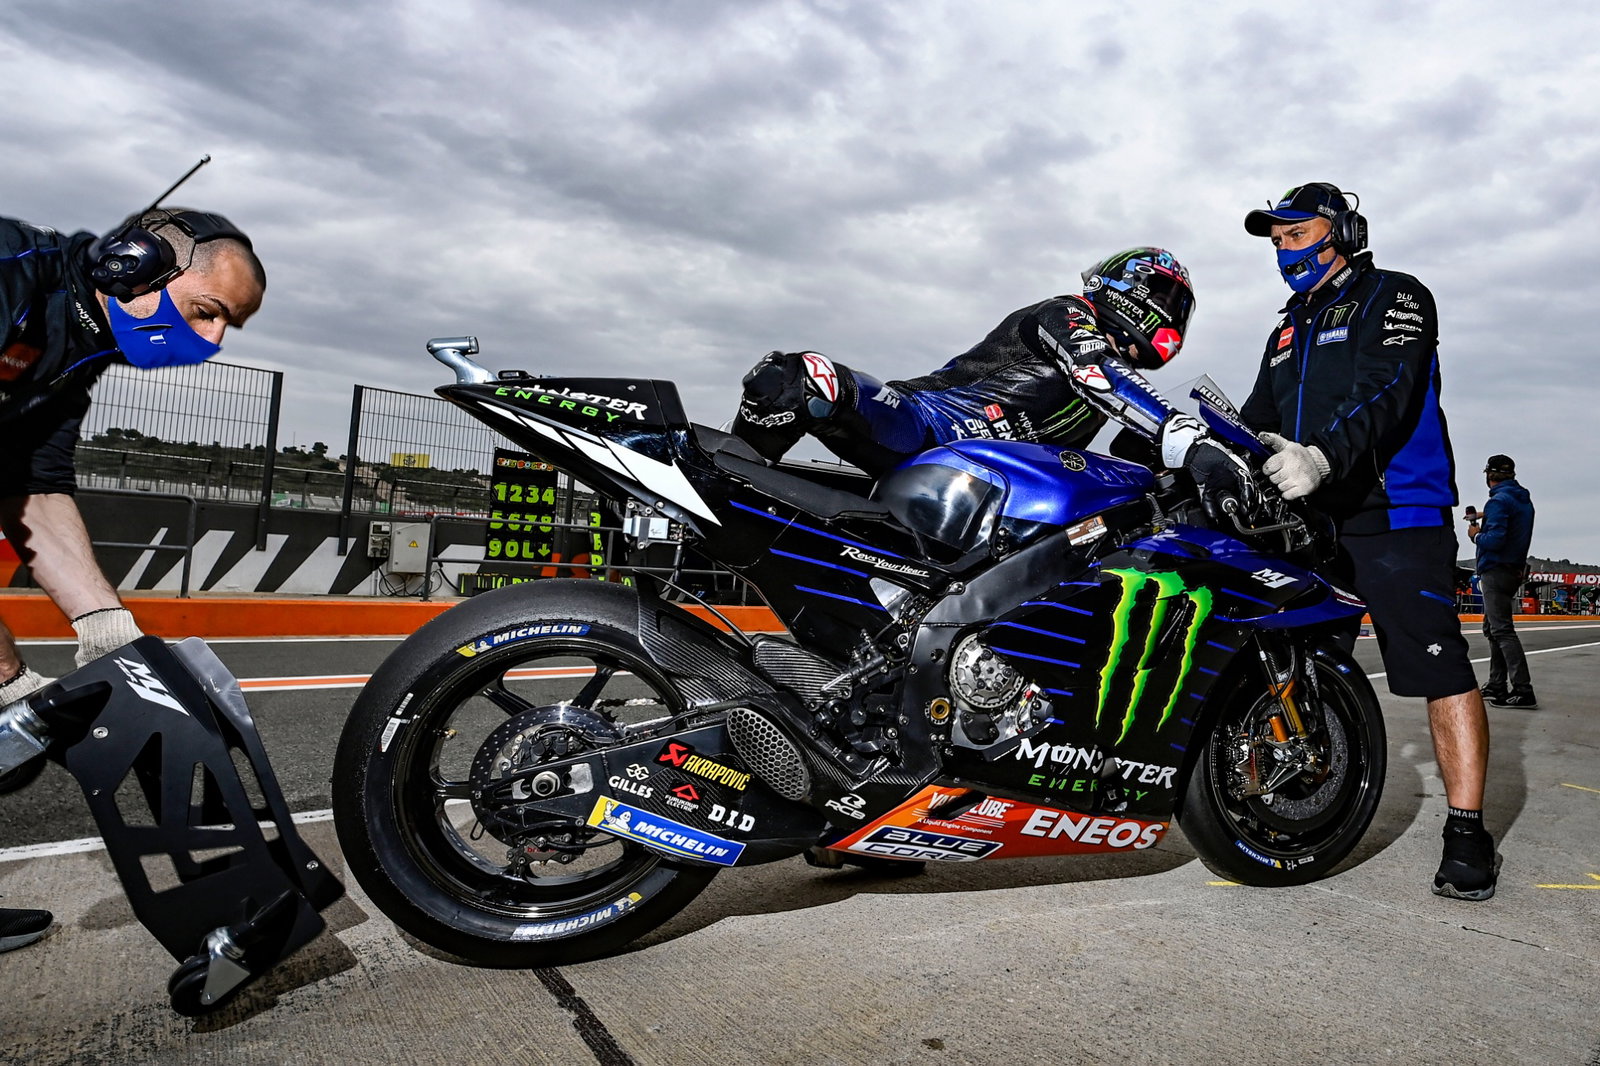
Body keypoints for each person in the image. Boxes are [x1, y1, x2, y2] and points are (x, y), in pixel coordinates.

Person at [0, 205, 265, 949]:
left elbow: (32, 485)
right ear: (135, 265)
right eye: (207, 311)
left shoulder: (80, 348)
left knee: (13, 751)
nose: (210, 341)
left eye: (227, 328)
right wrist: (7, 673)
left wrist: (107, 633)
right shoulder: (10, 276)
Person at [1238, 182, 1498, 901]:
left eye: (1297, 234)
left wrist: (1320, 456)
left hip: (1394, 513)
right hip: (1310, 522)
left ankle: (1468, 830)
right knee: (1293, 664)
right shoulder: (1286, 329)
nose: (1285, 250)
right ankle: (1291, 804)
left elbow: (1388, 388)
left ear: (1343, 231)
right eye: (1277, 240)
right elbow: (1258, 416)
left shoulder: (1396, 296)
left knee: (1436, 667)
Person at [731, 247, 1255, 517]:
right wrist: (1192, 443)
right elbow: (1098, 373)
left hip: (991, 492)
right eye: (1162, 297)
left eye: (1177, 307)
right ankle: (722, 484)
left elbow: (1132, 449)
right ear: (1125, 286)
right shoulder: (1066, 314)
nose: (1169, 314)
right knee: (801, 377)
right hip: (930, 427)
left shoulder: (1120, 395)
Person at [1467, 454, 1536, 707]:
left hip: (1496, 570)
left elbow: (1494, 540)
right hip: (1514, 570)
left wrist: (1476, 534)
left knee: (1502, 631)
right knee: (1493, 628)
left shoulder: (1499, 502)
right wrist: (1490, 513)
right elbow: (1512, 519)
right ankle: (1496, 684)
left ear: (1489, 475)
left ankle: (1523, 689)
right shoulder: (1521, 500)